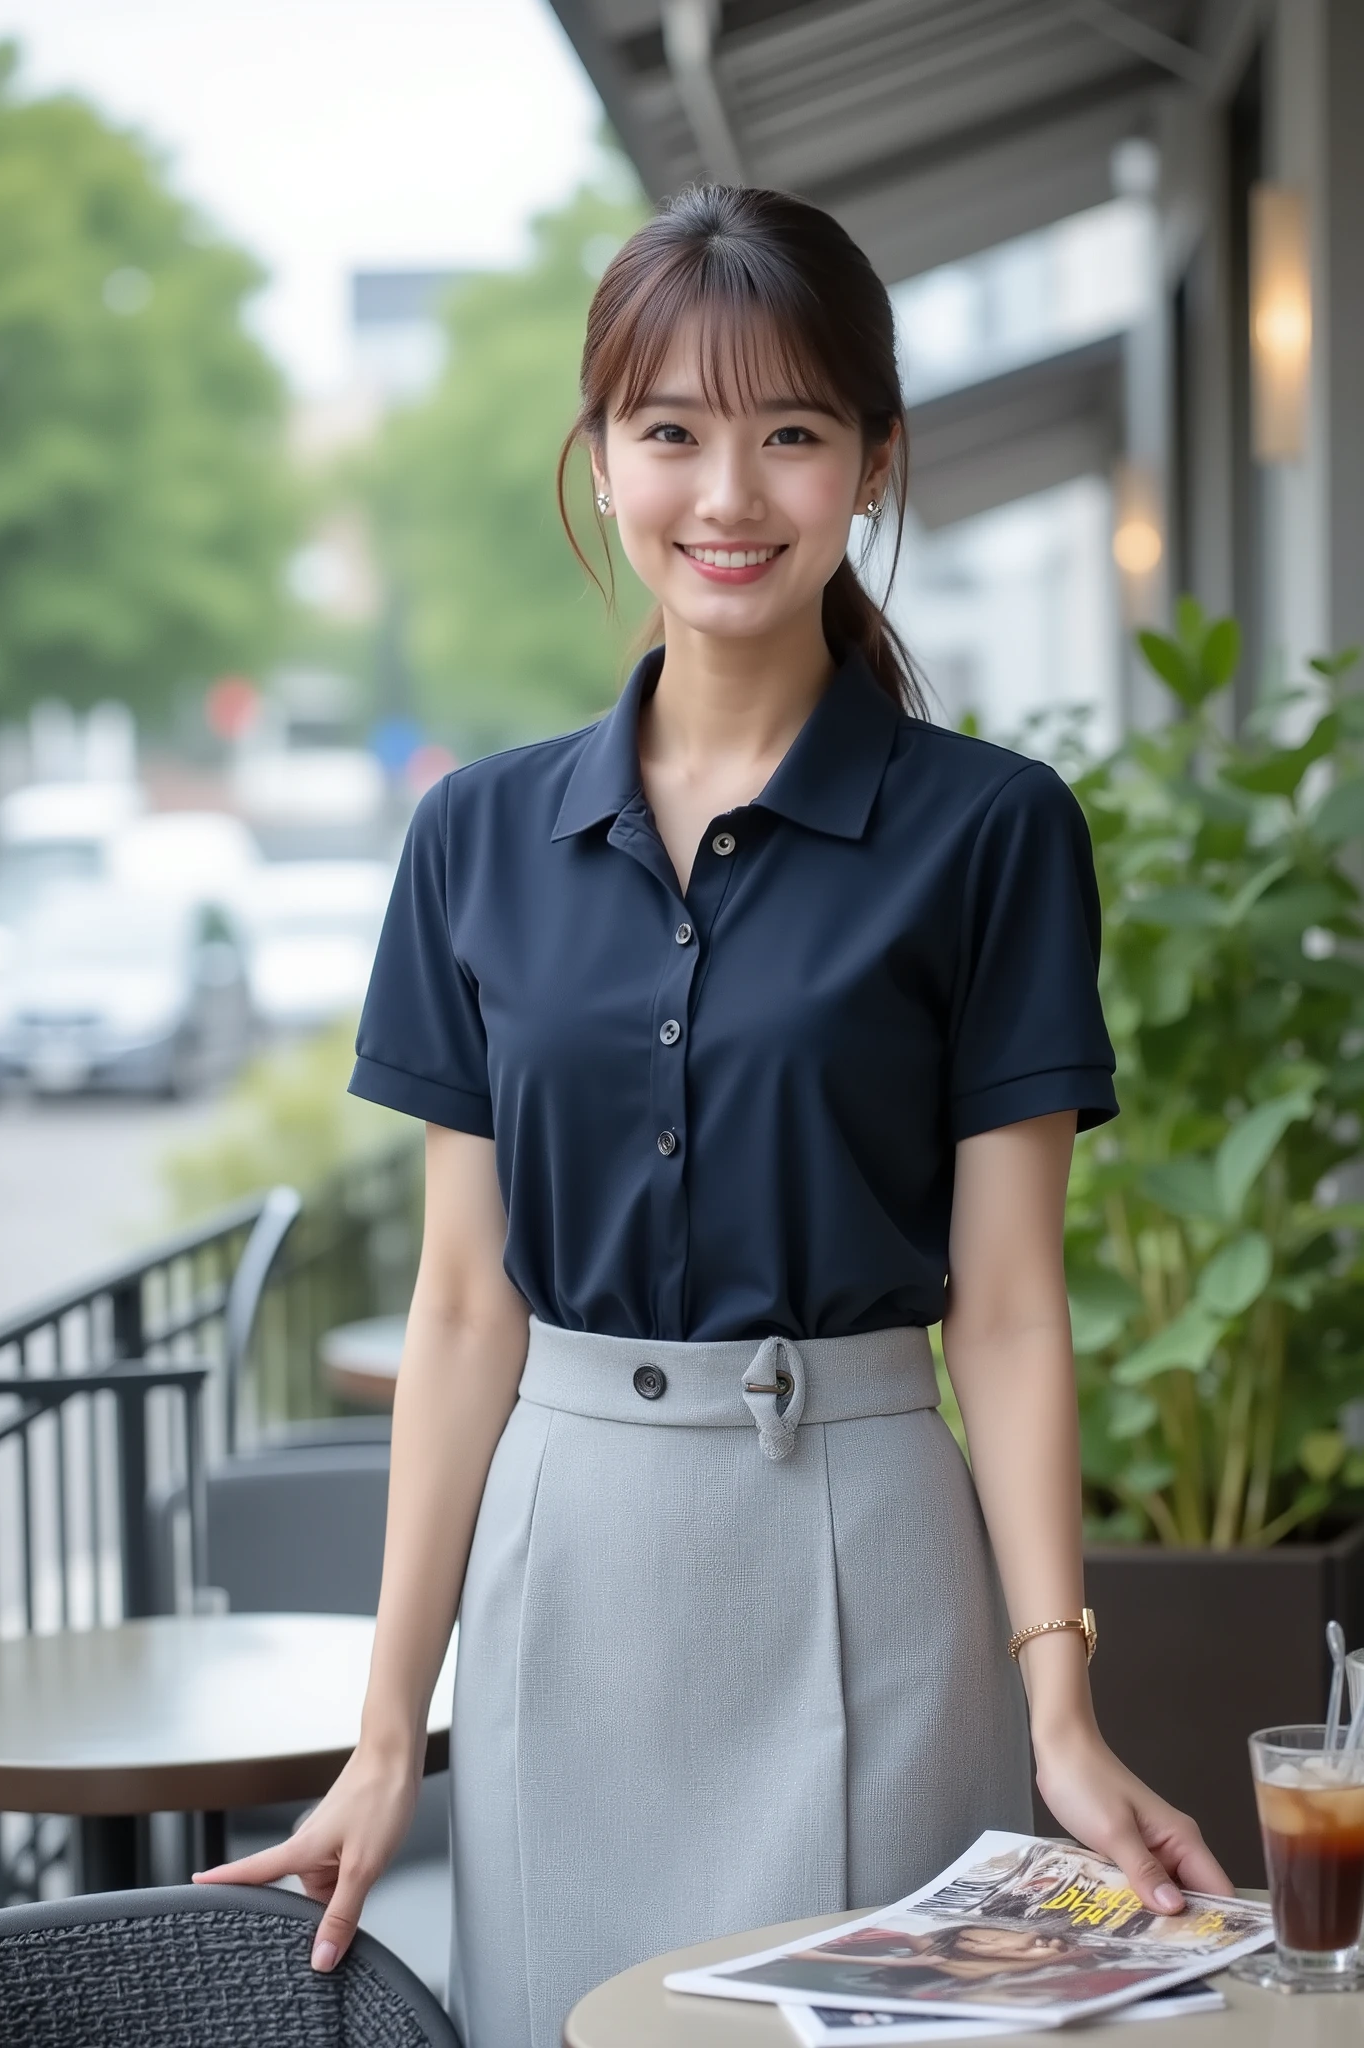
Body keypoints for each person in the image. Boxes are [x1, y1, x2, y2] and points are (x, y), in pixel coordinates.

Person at [195, 184, 1231, 2048]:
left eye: (792, 432)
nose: (728, 495)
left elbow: (1001, 1311)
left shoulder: (994, 834)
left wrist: (1059, 1711)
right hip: (562, 1577)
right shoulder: (472, 840)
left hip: (872, 1558)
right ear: (600, 462)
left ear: (874, 464)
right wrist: (379, 1747)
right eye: (670, 431)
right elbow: (459, 1309)